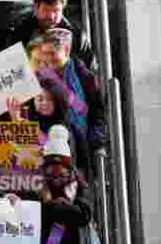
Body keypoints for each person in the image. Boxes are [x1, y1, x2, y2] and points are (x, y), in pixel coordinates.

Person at [32, 28, 107, 156]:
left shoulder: (84, 76)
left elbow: (95, 112)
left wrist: (97, 144)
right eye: (45, 53)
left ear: (66, 50)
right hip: (45, 138)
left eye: (52, 53)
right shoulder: (39, 75)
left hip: (76, 142)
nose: (48, 58)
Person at [8, 0, 95, 72]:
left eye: (56, 10)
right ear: (36, 8)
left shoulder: (76, 37)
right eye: (46, 10)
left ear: (62, 10)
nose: (51, 16)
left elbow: (90, 68)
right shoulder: (21, 33)